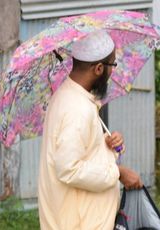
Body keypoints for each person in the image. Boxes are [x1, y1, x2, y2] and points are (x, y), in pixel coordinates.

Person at [38, 30, 144, 230]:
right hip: (78, 223)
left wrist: (104, 143)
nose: (113, 71)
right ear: (98, 68)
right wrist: (118, 173)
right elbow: (69, 169)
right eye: (112, 64)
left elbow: (79, 148)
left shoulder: (72, 98)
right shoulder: (77, 108)